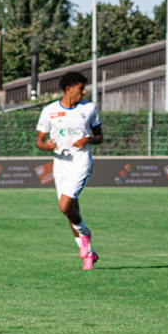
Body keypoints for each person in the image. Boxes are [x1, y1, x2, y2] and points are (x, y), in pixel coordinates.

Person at [34, 71, 102, 269]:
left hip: (81, 161)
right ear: (69, 89)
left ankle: (85, 234)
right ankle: (88, 253)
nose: (84, 91)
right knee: (70, 210)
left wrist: (87, 139)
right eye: (81, 88)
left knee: (64, 206)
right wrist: (47, 146)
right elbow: (39, 141)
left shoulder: (89, 108)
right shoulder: (49, 111)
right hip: (60, 163)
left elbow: (100, 137)